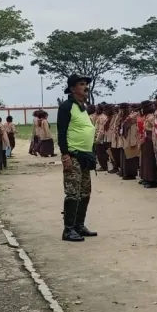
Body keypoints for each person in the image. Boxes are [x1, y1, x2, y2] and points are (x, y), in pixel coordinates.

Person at [58, 74, 97, 242]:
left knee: (85, 192)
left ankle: (79, 225)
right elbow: (61, 132)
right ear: (73, 88)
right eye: (82, 84)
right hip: (73, 155)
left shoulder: (82, 107)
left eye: (86, 84)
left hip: (85, 156)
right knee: (73, 193)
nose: (86, 87)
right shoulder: (66, 107)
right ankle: (68, 229)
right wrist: (65, 155)